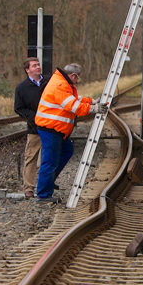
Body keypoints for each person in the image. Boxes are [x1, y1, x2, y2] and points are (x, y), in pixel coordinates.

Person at [33, 63, 98, 202]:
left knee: (67, 150)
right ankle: (43, 194)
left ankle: (48, 181)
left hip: (56, 129)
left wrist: (91, 102)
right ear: (73, 75)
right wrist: (94, 109)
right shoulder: (61, 85)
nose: (77, 82)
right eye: (78, 79)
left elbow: (75, 99)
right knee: (50, 161)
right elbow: (73, 106)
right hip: (51, 128)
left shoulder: (62, 83)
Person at [14, 56, 46, 199]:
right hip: (34, 129)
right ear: (27, 70)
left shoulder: (49, 82)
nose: (38, 67)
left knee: (51, 157)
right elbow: (19, 108)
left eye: (38, 65)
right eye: (34, 66)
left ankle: (47, 186)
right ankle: (29, 189)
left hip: (52, 128)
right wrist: (34, 118)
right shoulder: (21, 88)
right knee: (31, 158)